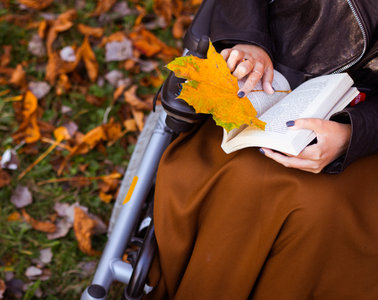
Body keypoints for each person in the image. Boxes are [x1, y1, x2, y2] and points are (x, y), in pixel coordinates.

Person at [145, 0, 378, 299]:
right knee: (248, 181)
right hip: (264, 77)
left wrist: (352, 134)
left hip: (365, 126)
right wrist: (248, 40)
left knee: (321, 212)